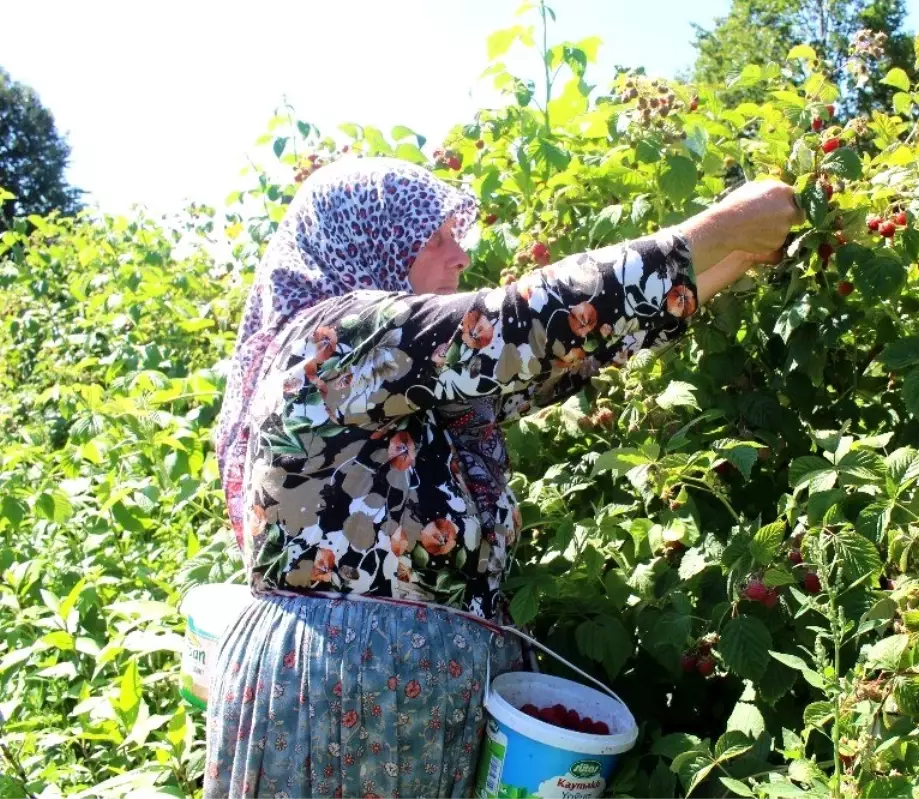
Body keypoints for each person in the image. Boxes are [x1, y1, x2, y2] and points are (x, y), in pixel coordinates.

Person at [207, 155, 801, 797]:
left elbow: (567, 353)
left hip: (401, 696)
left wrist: (736, 256)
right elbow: (523, 320)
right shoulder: (335, 342)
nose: (459, 256)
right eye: (436, 238)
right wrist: (726, 223)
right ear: (372, 242)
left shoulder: (409, 385)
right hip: (343, 702)